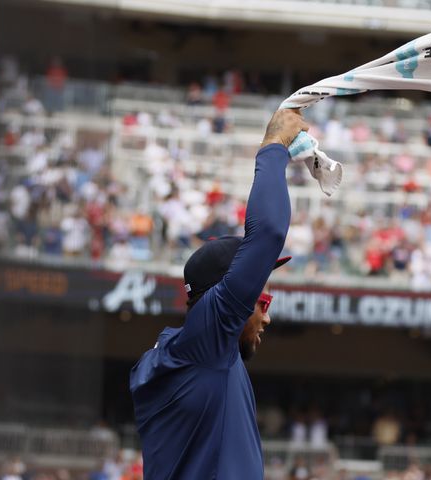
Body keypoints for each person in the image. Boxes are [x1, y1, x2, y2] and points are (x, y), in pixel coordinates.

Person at [130, 108, 307, 479]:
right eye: (263, 301)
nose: (267, 315)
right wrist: (274, 148)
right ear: (222, 298)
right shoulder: (206, 344)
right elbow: (270, 232)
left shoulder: (184, 356)